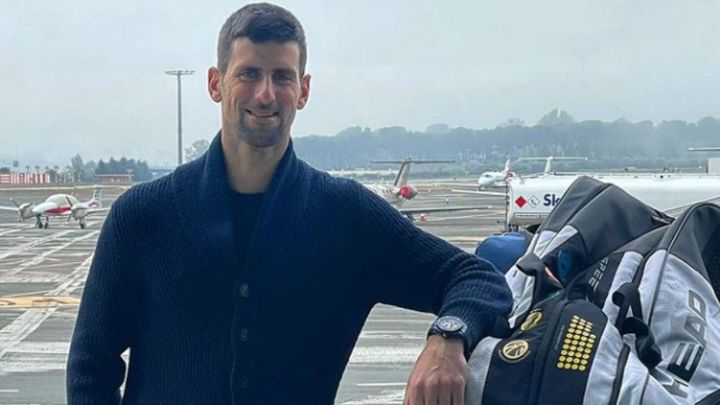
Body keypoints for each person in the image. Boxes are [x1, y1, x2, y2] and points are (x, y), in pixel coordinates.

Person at [66, 3, 512, 404]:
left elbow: (479, 279)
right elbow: (91, 366)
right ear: (215, 83)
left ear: (303, 90)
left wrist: (447, 338)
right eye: (249, 74)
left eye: (282, 76)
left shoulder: (345, 217)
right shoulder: (143, 217)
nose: (265, 93)